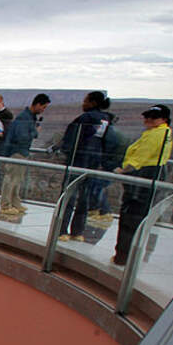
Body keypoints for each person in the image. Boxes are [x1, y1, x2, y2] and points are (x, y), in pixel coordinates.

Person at [112, 104, 173, 266]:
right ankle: (129, 256)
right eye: (147, 116)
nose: (148, 119)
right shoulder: (160, 133)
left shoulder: (158, 134)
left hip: (144, 176)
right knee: (136, 216)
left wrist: (123, 170)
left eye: (153, 117)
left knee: (130, 216)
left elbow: (141, 157)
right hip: (148, 175)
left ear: (164, 120)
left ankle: (123, 257)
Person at [57, 91, 112, 241]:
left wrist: (64, 152)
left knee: (68, 197)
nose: (83, 103)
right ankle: (78, 232)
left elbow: (71, 139)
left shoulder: (85, 118)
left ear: (93, 102)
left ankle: (61, 231)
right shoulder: (106, 120)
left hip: (78, 162)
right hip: (93, 164)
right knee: (84, 198)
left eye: (85, 101)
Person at [0, 93, 50, 215]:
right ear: (37, 104)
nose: (43, 110)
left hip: (22, 152)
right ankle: (5, 205)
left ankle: (15, 202)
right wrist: (35, 132)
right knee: (10, 178)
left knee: (17, 179)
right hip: (16, 152)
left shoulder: (30, 117)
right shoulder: (24, 118)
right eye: (43, 107)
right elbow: (22, 136)